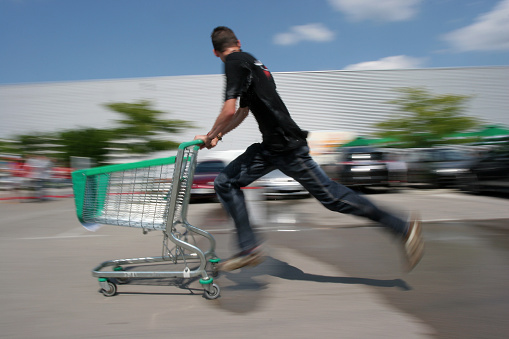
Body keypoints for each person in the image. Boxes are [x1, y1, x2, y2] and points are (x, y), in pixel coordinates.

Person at [194, 26, 424, 272]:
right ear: (238, 41)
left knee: (333, 198)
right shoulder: (250, 62)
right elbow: (242, 111)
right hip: (271, 147)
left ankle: (402, 227)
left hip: (286, 146)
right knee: (225, 182)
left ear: (215, 52)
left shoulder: (234, 62)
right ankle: (249, 248)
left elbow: (229, 110)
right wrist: (218, 134)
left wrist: (208, 136)